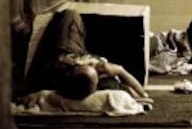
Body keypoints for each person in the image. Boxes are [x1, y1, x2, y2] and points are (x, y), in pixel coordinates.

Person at [22, 9, 151, 102]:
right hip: (80, 54)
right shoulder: (107, 84)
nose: (94, 65)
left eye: (90, 65)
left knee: (70, 15)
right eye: (95, 68)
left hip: (70, 52)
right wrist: (120, 70)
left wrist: (64, 59)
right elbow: (143, 97)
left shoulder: (60, 73)